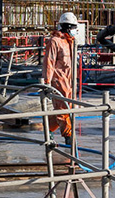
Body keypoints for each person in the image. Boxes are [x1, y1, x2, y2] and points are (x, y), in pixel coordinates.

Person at [42, 11, 79, 142]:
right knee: (63, 109)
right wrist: (46, 83)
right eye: (74, 28)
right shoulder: (55, 42)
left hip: (70, 81)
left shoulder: (71, 42)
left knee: (68, 108)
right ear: (68, 27)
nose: (75, 31)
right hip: (59, 80)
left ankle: (48, 128)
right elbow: (49, 63)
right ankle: (68, 136)